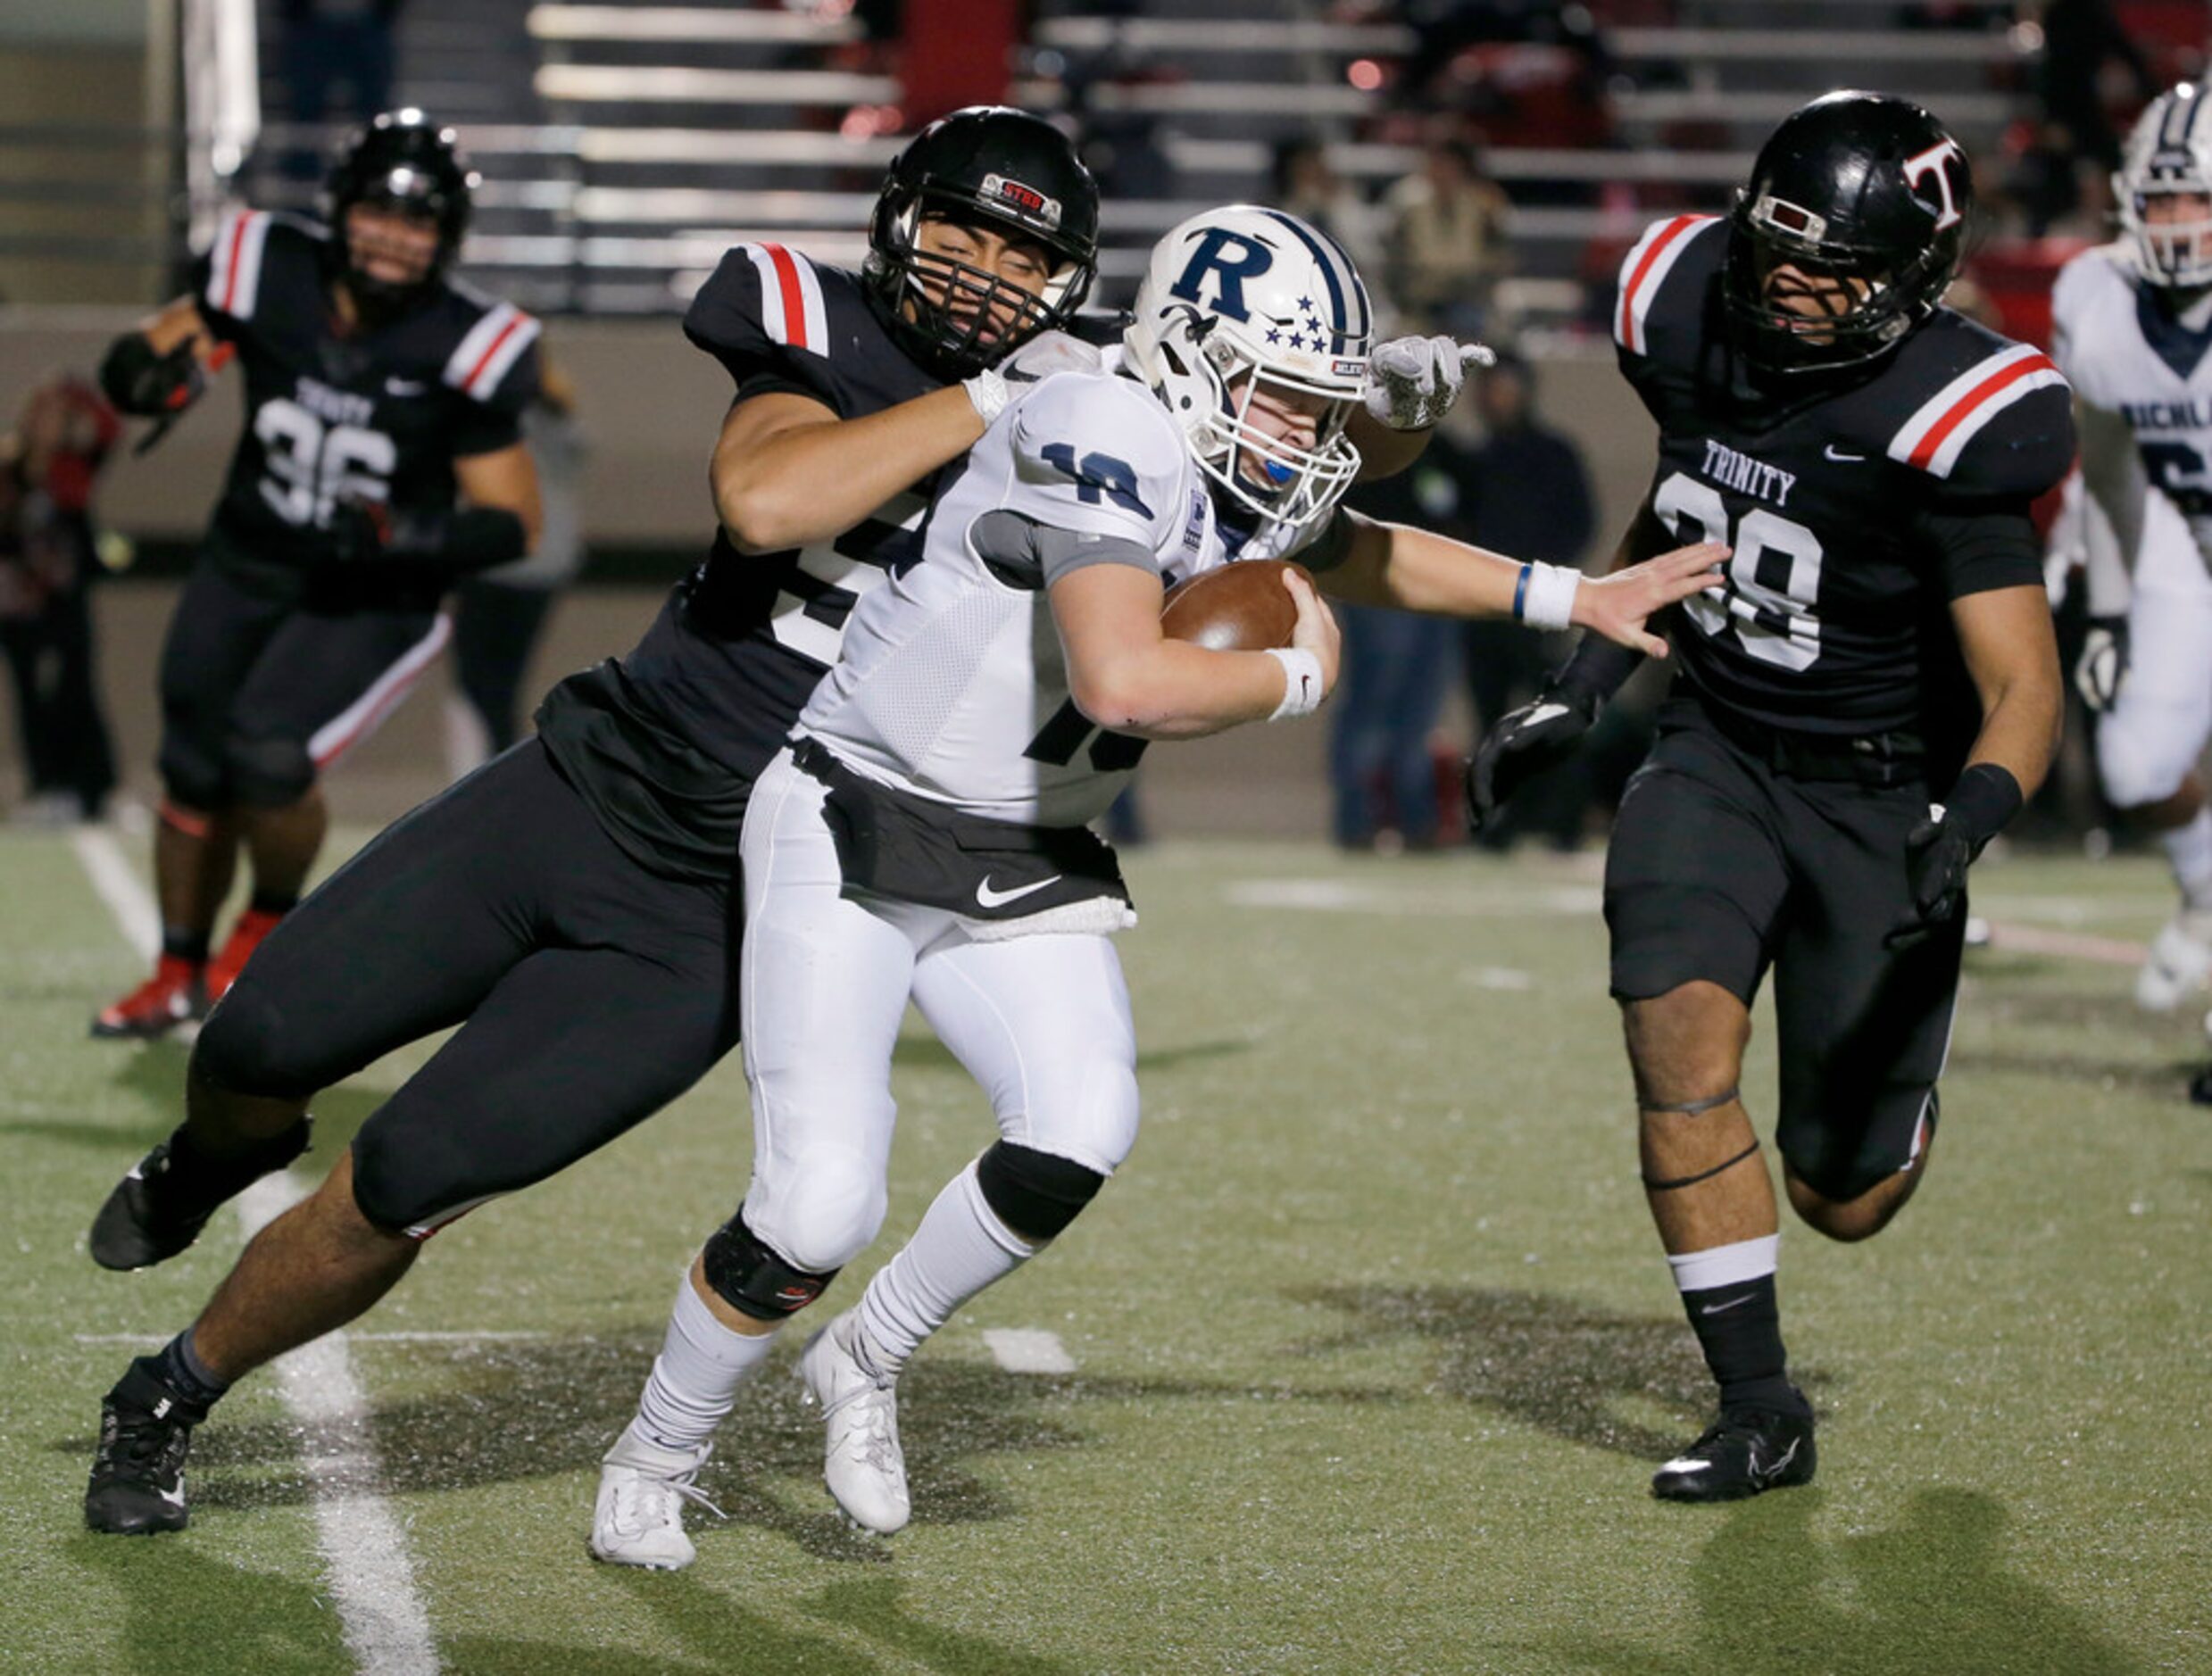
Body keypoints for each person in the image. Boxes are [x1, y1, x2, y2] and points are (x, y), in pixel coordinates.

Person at [587, 203, 1725, 1566]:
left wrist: (1566, 596)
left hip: (1020, 845)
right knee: (818, 1201)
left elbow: (1345, 540)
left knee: (1079, 1123)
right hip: (857, 813)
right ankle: (655, 1448)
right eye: (1288, 402)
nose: (1308, 435)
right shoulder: (1100, 428)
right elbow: (1129, 679)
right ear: (1186, 354)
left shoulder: (1197, 440)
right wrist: (1291, 677)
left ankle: (865, 1356)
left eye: (1318, 407)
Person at [79, 104, 1105, 1539]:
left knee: (409, 1178)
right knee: (259, 1041)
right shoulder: (817, 313)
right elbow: (762, 500)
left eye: (1024, 253)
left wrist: (1518, 574)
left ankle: (169, 1391)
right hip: (585, 787)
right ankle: (206, 1156)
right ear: (898, 217)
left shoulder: (1099, 419)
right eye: (965, 227)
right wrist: (1004, 402)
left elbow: (1286, 492)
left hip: (733, 906)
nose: (988, 270)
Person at [1469, 92, 2073, 1501]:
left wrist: (1968, 820)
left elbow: (2023, 684)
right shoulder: (1687, 316)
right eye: (1779, 254)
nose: (1793, 290)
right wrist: (1580, 679)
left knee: (1842, 1197)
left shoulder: (1951, 420)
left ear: (1912, 278)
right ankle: (1757, 1404)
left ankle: (1889, 1109)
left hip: (1882, 793)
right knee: (1671, 1034)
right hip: (1718, 752)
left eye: (1835, 272)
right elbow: (1687, 517)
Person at [88, 110, 545, 1040]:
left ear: (448, 238)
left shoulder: (469, 342)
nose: (394, 236)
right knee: (191, 763)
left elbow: (513, 524)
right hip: (248, 557)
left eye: (419, 221)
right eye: (379, 210)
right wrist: (139, 375)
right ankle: (176, 969)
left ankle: (261, 927)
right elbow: (152, 352)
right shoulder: (266, 267)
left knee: (267, 752)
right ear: (341, 208)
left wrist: (399, 532)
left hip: (375, 594)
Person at [2052, 86, 2212, 1027]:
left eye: (2199, 197)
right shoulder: (2096, 295)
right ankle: (2204, 894)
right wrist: (2108, 608)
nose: (2180, 222)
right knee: (2138, 763)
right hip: (2182, 542)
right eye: (2163, 200)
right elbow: (2110, 468)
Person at [445, 352, 586, 774]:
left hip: (501, 558)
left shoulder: (491, 407)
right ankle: (490, 776)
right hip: (541, 559)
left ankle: (481, 779)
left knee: (480, 684)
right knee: (500, 685)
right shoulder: (555, 409)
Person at [0, 374, 121, 824]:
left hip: (66, 600)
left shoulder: (71, 469)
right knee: (31, 694)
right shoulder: (10, 467)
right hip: (19, 602)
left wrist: (73, 393)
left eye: (57, 418)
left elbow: (110, 429)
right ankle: (47, 786)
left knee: (77, 689)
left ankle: (94, 790)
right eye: (42, 415)